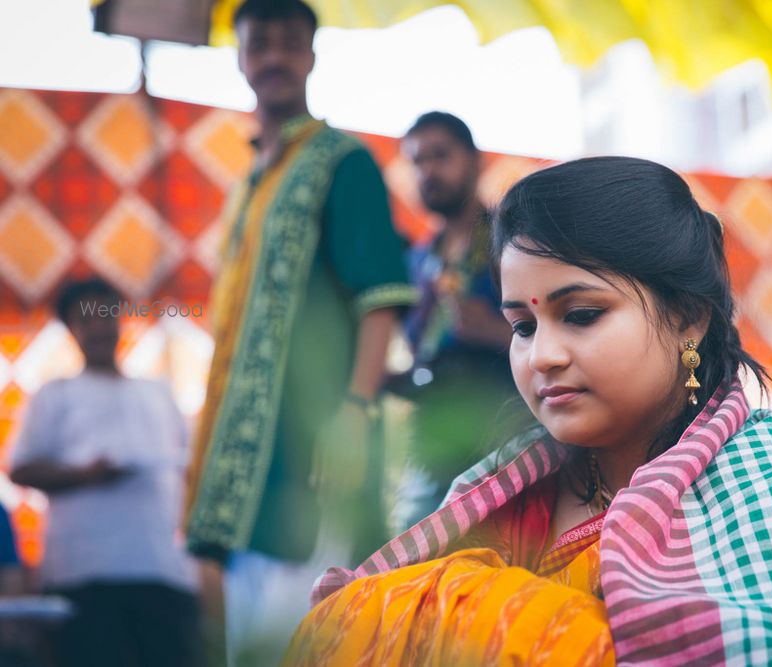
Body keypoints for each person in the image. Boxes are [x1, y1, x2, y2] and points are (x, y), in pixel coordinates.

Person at [284, 157, 772, 666]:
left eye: (581, 314)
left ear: (688, 318)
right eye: (522, 326)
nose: (542, 355)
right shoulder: (492, 492)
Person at [183, 1, 415, 665]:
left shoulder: (342, 161)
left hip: (311, 453)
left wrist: (354, 410)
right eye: (260, 44)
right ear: (240, 57)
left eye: (290, 43)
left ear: (312, 56)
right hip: (241, 467)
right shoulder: (252, 181)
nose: (275, 58)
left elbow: (379, 297)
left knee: (307, 639)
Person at [9, 278, 202, 667]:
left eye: (104, 315)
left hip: (162, 569)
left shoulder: (158, 392)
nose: (98, 327)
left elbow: (189, 466)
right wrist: (86, 475)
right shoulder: (54, 395)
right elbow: (21, 468)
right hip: (83, 572)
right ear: (70, 330)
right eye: (85, 320)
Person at [389, 112, 517, 529]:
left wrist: (494, 331)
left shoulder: (510, 240)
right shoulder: (416, 260)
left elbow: (558, 337)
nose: (428, 171)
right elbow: (427, 354)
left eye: (440, 156)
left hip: (502, 443)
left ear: (476, 160)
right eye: (417, 161)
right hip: (430, 444)